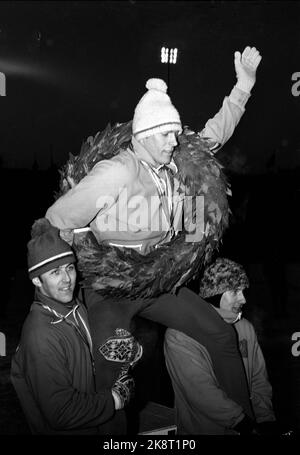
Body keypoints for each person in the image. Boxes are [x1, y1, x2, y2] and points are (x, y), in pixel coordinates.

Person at [45, 47, 262, 423]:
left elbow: (212, 135)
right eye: (166, 135)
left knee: (223, 337)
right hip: (111, 290)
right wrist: (81, 249)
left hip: (157, 283)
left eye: (176, 133)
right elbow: (58, 216)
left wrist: (242, 88)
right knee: (113, 370)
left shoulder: (175, 160)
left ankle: (247, 426)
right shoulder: (117, 172)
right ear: (144, 135)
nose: (174, 142)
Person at [10, 219, 141, 435]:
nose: (66, 280)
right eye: (54, 273)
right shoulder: (41, 334)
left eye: (69, 268)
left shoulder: (74, 308)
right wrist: (113, 400)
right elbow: (61, 412)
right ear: (36, 280)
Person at [164, 258, 278, 435]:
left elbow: (258, 379)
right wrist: (243, 423)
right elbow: (201, 391)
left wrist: (265, 419)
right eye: (235, 291)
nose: (243, 299)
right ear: (215, 294)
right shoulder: (180, 335)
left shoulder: (245, 328)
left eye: (243, 291)